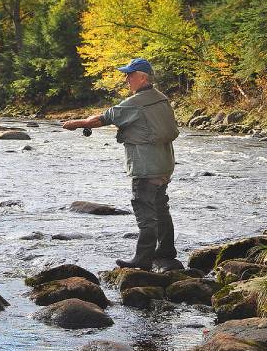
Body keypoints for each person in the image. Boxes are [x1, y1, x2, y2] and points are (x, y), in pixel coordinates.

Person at [63, 58, 180, 270]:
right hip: (164, 165)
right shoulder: (161, 99)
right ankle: (166, 251)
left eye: (129, 74)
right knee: (161, 208)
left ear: (142, 77)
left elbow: (101, 119)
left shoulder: (135, 102)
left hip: (145, 168)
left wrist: (76, 124)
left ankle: (142, 259)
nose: (126, 79)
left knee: (144, 211)